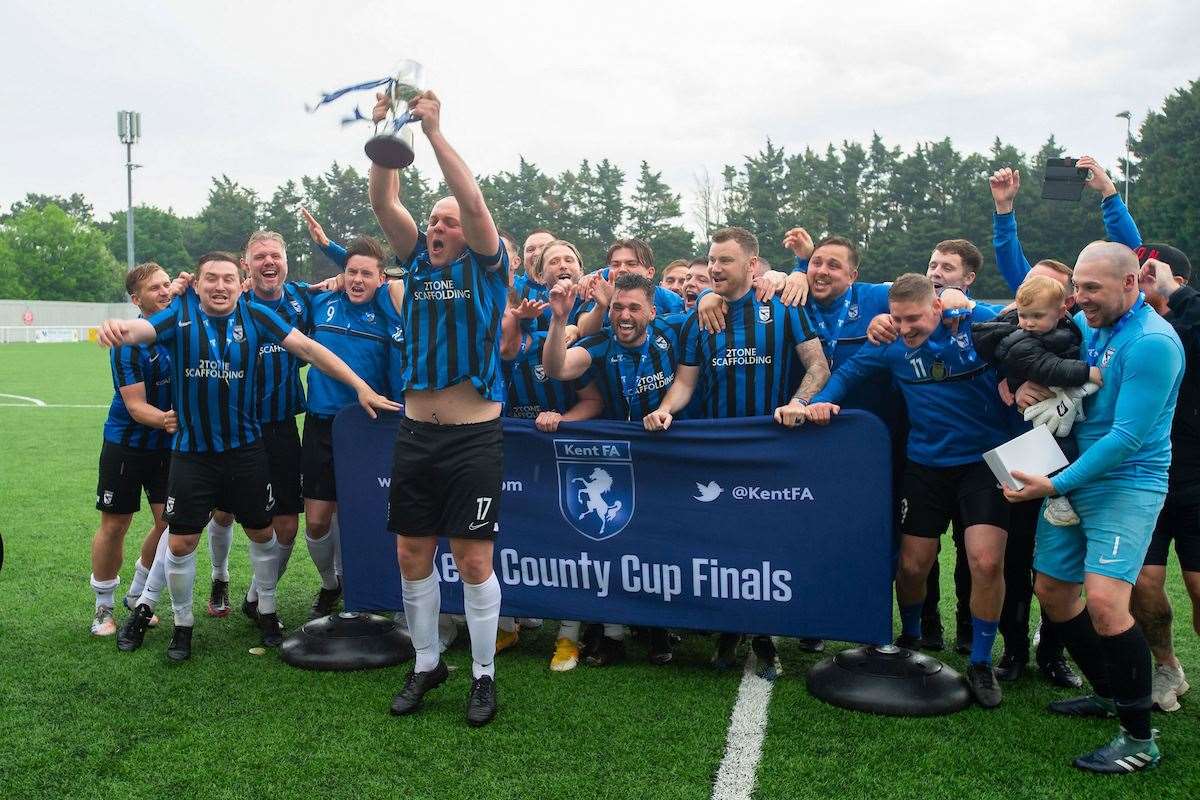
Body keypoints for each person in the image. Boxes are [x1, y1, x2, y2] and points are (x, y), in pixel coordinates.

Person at [98, 252, 398, 661]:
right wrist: (119, 327)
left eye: (227, 279)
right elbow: (141, 329)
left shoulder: (258, 317)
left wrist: (360, 386)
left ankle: (269, 612)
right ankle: (182, 625)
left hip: (246, 452)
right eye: (210, 280)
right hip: (192, 454)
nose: (219, 287)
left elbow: (309, 350)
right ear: (198, 285)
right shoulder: (178, 319)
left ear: (241, 284)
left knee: (262, 533)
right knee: (183, 541)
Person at [1002, 242, 1183, 773]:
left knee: (1105, 602)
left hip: (1126, 482)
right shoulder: (1092, 326)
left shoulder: (1152, 342)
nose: (1080, 299)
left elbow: (1127, 438)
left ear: (1131, 284)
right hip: (1074, 475)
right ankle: (1109, 692)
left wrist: (1054, 487)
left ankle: (1138, 739)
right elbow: (1040, 355)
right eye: (1077, 287)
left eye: (1092, 289)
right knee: (1053, 590)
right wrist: (1029, 385)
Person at [804, 273, 1012, 707]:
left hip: (985, 464)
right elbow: (848, 375)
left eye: (913, 318)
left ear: (938, 307)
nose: (905, 328)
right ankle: (911, 636)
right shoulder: (889, 344)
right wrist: (817, 402)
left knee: (986, 561)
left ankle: (979, 660)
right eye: (897, 319)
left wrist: (967, 304)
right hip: (925, 465)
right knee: (914, 566)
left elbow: (1023, 323)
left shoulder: (976, 324)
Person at [368, 89, 509, 727]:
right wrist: (386, 138)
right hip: (416, 436)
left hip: (474, 437)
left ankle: (484, 674)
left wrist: (433, 133)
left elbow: (473, 202)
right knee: (410, 553)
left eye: (446, 221)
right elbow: (383, 201)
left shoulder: (487, 264)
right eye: (434, 219)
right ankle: (427, 661)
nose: (438, 225)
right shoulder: (418, 263)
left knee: (473, 557)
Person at [644, 227, 829, 679]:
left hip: (771, 450)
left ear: (751, 265)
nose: (714, 268)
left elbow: (818, 366)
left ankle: (764, 633)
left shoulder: (784, 308)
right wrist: (664, 409)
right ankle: (730, 625)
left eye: (725, 260)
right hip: (717, 451)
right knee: (722, 542)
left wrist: (799, 403)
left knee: (767, 543)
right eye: (711, 259)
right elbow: (685, 382)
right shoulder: (699, 318)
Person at [544, 272, 686, 670]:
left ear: (652, 311)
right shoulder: (600, 343)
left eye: (634, 308)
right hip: (618, 463)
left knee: (661, 545)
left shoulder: (673, 332)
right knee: (617, 547)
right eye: (618, 307)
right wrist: (558, 320)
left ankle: (659, 626)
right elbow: (557, 367)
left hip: (668, 456)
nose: (624, 315)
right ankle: (615, 635)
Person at [301, 236, 404, 620]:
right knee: (316, 520)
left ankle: (365, 588)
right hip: (322, 425)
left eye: (366, 273)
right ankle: (331, 584)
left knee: (363, 516)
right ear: (341, 276)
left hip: (369, 428)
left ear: (380, 278)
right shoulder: (321, 302)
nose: (358, 279)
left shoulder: (389, 309)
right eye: (351, 272)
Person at [967, 276, 1103, 526]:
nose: (1028, 323)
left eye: (1036, 316)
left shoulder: (1063, 327)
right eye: (1023, 315)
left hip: (1052, 398)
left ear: (1062, 311)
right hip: (1039, 405)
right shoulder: (1023, 340)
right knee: (1062, 447)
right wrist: (1085, 372)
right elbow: (1045, 366)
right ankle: (1057, 498)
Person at [90, 262, 176, 637]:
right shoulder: (127, 341)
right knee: (115, 524)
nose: (164, 291)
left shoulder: (178, 327)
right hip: (126, 444)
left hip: (166, 446)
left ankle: (137, 591)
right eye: (155, 287)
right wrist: (175, 420)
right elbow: (136, 407)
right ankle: (102, 607)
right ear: (135, 299)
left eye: (167, 284)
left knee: (170, 522)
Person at [1132, 247, 1198, 713]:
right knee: (1142, 582)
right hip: (1146, 476)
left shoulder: (1190, 323)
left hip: (1196, 479)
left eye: (1149, 272)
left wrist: (1173, 290)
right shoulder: (1133, 327)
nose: (1142, 279)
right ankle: (1166, 666)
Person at [989, 156, 1141, 294]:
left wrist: (1108, 190)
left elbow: (1132, 257)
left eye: (1090, 287)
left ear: (1070, 300)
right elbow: (1010, 261)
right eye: (1034, 285)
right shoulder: (1027, 310)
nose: (1038, 292)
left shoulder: (1089, 320)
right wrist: (1003, 206)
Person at [575, 239, 684, 335]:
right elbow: (584, 332)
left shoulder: (671, 301)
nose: (622, 269)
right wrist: (601, 306)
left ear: (650, 273)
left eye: (631, 264)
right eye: (615, 264)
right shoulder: (598, 290)